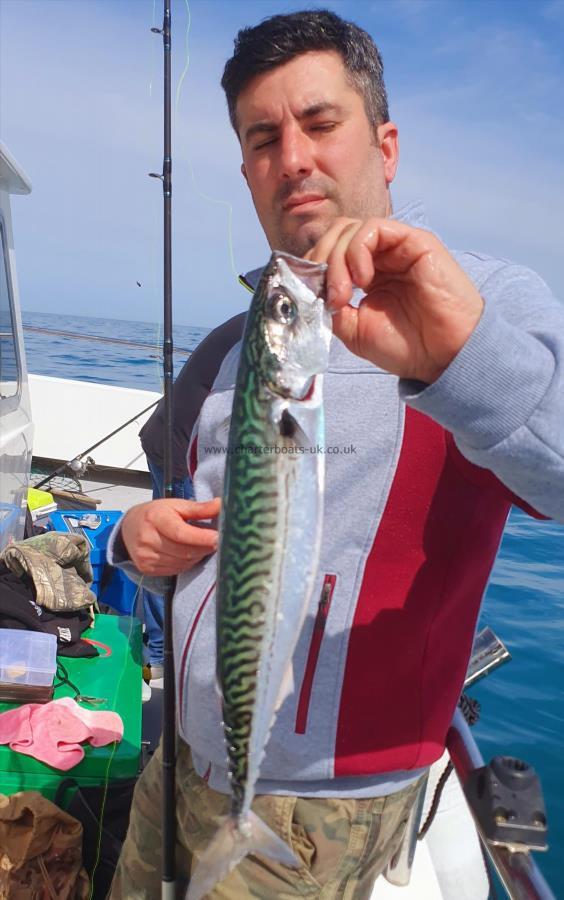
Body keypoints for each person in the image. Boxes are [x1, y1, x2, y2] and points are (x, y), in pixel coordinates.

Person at [109, 9, 564, 898]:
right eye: (264, 138)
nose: (295, 158)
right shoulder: (232, 347)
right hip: (183, 764)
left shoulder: (484, 303)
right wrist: (139, 542)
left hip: (324, 812)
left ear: (385, 145)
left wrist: (456, 357)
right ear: (246, 169)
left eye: (321, 124)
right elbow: (199, 543)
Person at [138, 314, 245, 681]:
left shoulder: (246, 323)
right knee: (180, 555)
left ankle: (156, 649)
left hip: (167, 439)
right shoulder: (259, 335)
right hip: (181, 452)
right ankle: (162, 655)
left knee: (171, 549)